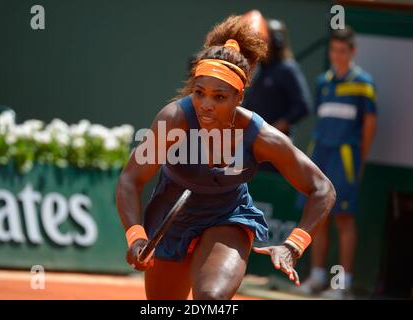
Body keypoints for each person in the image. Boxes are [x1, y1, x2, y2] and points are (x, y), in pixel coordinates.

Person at [116, 15, 336, 300]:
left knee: (212, 298)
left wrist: (293, 245)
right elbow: (130, 179)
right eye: (199, 93)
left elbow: (322, 189)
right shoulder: (173, 121)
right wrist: (136, 237)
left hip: (227, 217)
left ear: (239, 97)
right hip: (170, 219)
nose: (206, 105)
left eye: (219, 97)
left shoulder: (261, 137)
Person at [297, 26, 377, 299]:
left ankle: (342, 284)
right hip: (321, 154)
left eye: (342, 51)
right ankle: (318, 277)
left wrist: (359, 160)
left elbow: (369, 125)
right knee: (319, 216)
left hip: (346, 157)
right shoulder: (323, 81)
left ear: (352, 52)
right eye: (333, 50)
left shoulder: (364, 83)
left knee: (343, 219)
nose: (337, 55)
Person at [242, 12, 311, 173]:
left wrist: (275, 127)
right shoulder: (259, 69)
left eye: (264, 39)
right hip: (252, 144)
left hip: (274, 145)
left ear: (277, 42)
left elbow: (303, 106)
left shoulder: (287, 69)